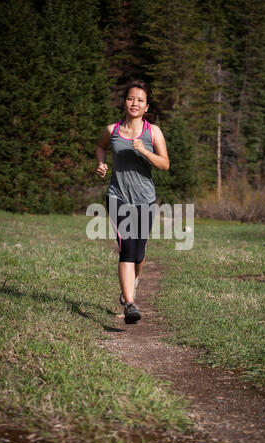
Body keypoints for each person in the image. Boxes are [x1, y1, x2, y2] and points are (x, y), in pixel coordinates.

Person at [95, 79, 169, 324]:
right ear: (124, 102)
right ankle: (129, 304)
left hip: (145, 200)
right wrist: (101, 163)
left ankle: (131, 284)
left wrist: (145, 151)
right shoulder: (112, 130)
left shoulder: (153, 132)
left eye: (140, 100)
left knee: (139, 255)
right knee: (126, 249)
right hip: (118, 197)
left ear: (146, 107)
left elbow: (165, 164)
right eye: (130, 98)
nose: (134, 103)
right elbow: (100, 146)